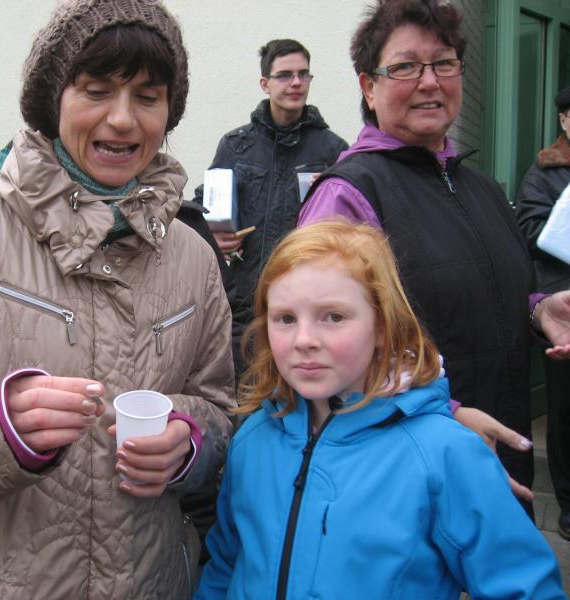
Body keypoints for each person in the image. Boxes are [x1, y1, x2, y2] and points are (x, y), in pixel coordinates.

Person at [0, 1, 235, 598]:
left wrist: (189, 445)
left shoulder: (191, 254)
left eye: (147, 97)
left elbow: (220, 411)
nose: (123, 119)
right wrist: (1, 433)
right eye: (96, 91)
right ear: (52, 102)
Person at [195, 220, 564, 599]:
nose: (304, 340)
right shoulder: (254, 438)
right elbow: (226, 563)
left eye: (333, 317)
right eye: (286, 318)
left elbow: (525, 586)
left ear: (383, 326)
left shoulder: (444, 454)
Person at [298, 0, 570, 500]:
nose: (429, 82)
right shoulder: (349, 193)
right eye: (405, 66)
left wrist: (537, 310)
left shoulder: (482, 189)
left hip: (499, 460)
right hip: (406, 473)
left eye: (444, 63)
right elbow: (320, 349)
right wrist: (443, 416)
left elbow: (474, 296)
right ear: (368, 87)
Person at [195, 39, 348, 376]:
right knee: (245, 394)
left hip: (308, 304)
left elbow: (348, 229)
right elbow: (204, 208)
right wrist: (214, 237)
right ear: (265, 84)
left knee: (299, 392)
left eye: (303, 74)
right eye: (285, 75)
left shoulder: (333, 150)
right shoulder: (236, 146)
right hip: (244, 304)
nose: (296, 83)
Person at [517, 84, 570, 538]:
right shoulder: (546, 170)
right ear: (564, 120)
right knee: (566, 408)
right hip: (563, 306)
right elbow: (529, 228)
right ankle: (568, 503)